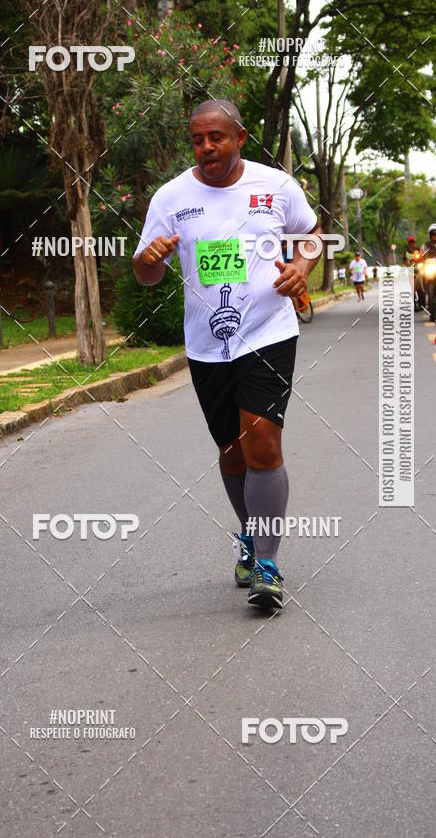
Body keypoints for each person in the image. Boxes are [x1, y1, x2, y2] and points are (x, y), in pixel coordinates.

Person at [132, 99, 322, 609]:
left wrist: (301, 265)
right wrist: (149, 261)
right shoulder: (172, 197)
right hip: (207, 346)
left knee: (261, 442)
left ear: (239, 135)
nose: (207, 148)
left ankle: (266, 562)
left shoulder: (276, 186)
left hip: (268, 333)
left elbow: (310, 236)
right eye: (197, 140)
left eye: (216, 137)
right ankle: (249, 535)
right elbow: (146, 273)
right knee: (232, 452)